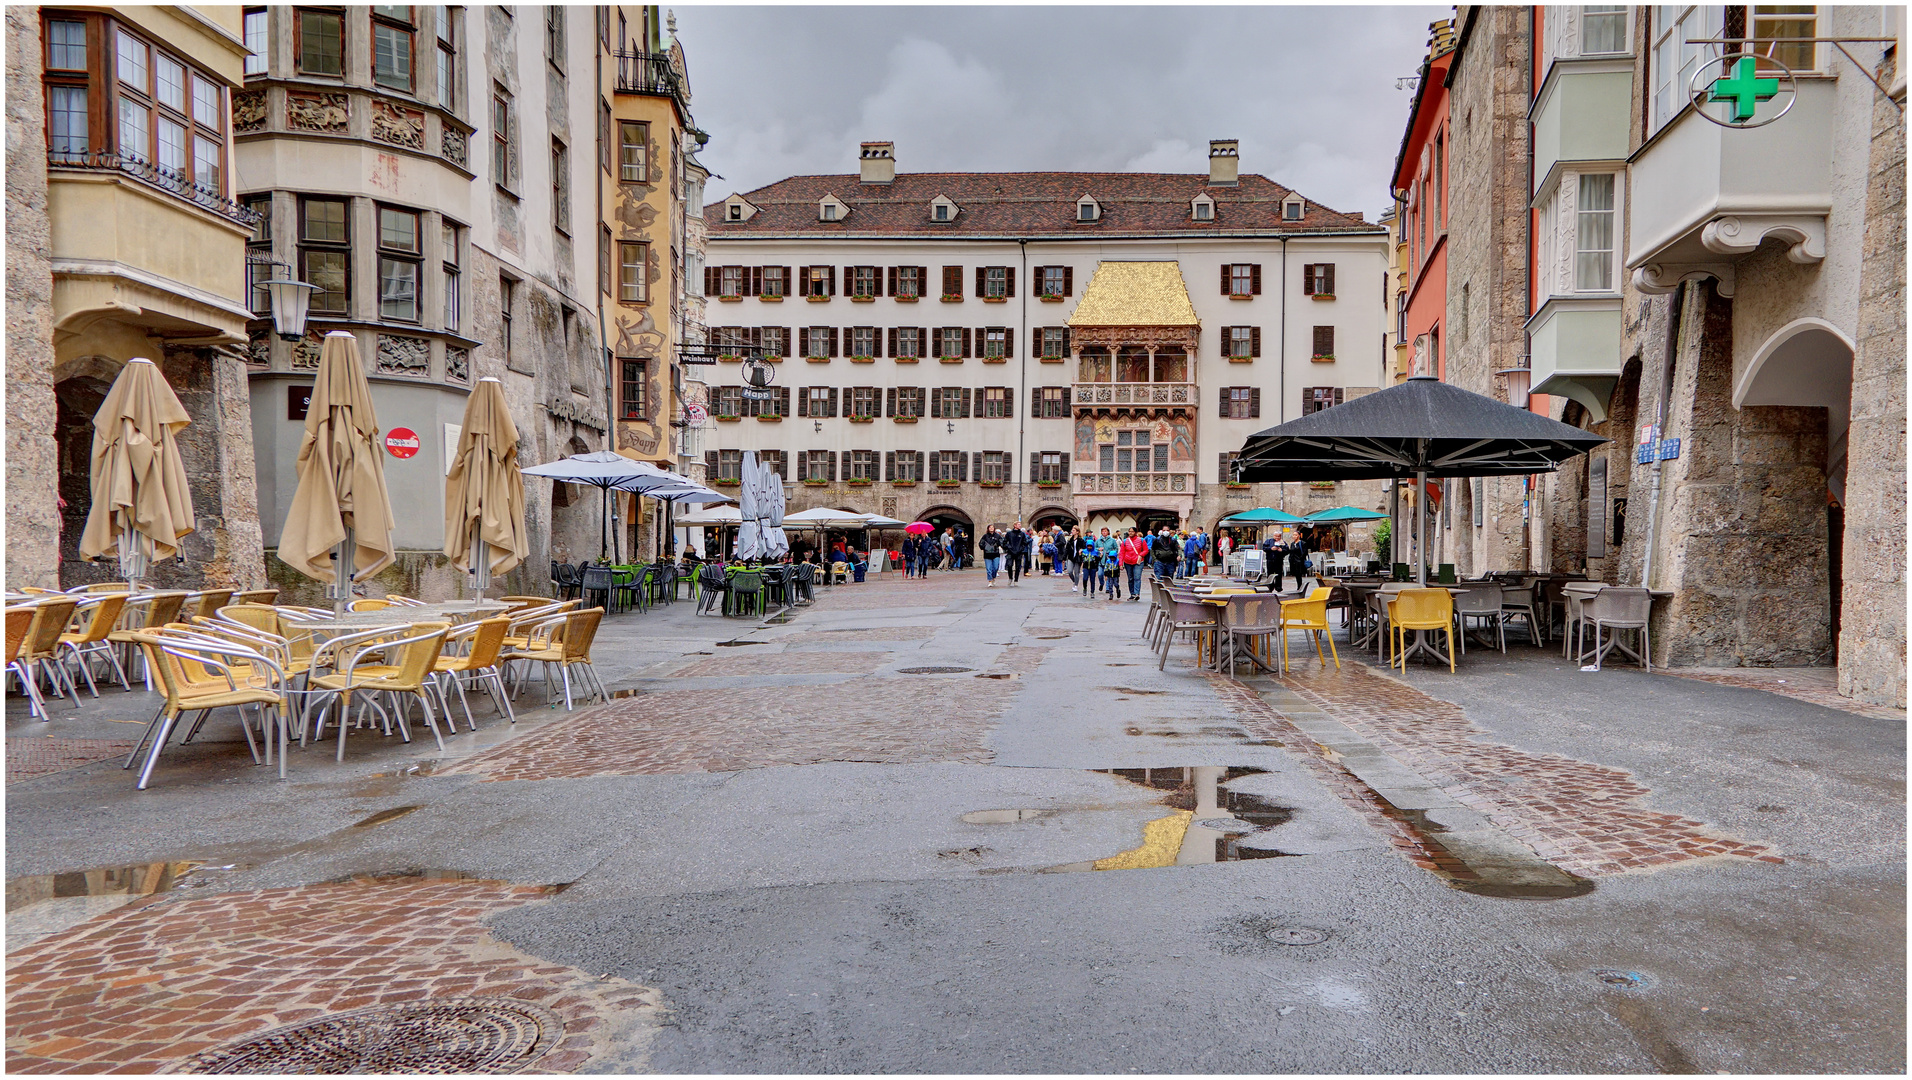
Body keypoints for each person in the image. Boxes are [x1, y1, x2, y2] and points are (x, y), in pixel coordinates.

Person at [1119, 528, 1149, 601]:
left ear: (1135, 532)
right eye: (1129, 531)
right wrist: (1121, 564)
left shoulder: (1141, 540)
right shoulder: (1125, 541)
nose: (1130, 533)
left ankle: (1136, 593)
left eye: (1132, 531)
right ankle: (1132, 594)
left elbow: (1146, 550)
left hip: (1138, 561)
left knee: (1137, 577)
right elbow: (1122, 553)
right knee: (1130, 578)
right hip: (1127, 562)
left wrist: (1141, 554)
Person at [1002, 521, 1029, 586]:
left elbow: (1024, 542)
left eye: (1020, 524)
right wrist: (1008, 548)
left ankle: (1016, 579)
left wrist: (1021, 548)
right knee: (1009, 565)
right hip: (1010, 552)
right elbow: (1004, 542)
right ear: (1015, 525)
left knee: (1018, 566)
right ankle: (1010, 578)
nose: (1020, 525)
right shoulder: (1009, 533)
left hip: (1019, 552)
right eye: (1018, 524)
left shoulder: (1022, 534)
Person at [1099, 528, 1122, 600]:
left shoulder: (1112, 540)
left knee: (1115, 584)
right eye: (1102, 531)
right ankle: (1110, 594)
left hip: (1115, 574)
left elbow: (1116, 548)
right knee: (1108, 582)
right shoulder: (1099, 540)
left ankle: (1117, 590)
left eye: (1105, 531)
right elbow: (1106, 568)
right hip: (1104, 564)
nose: (1104, 532)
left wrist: (1112, 553)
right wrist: (1099, 550)